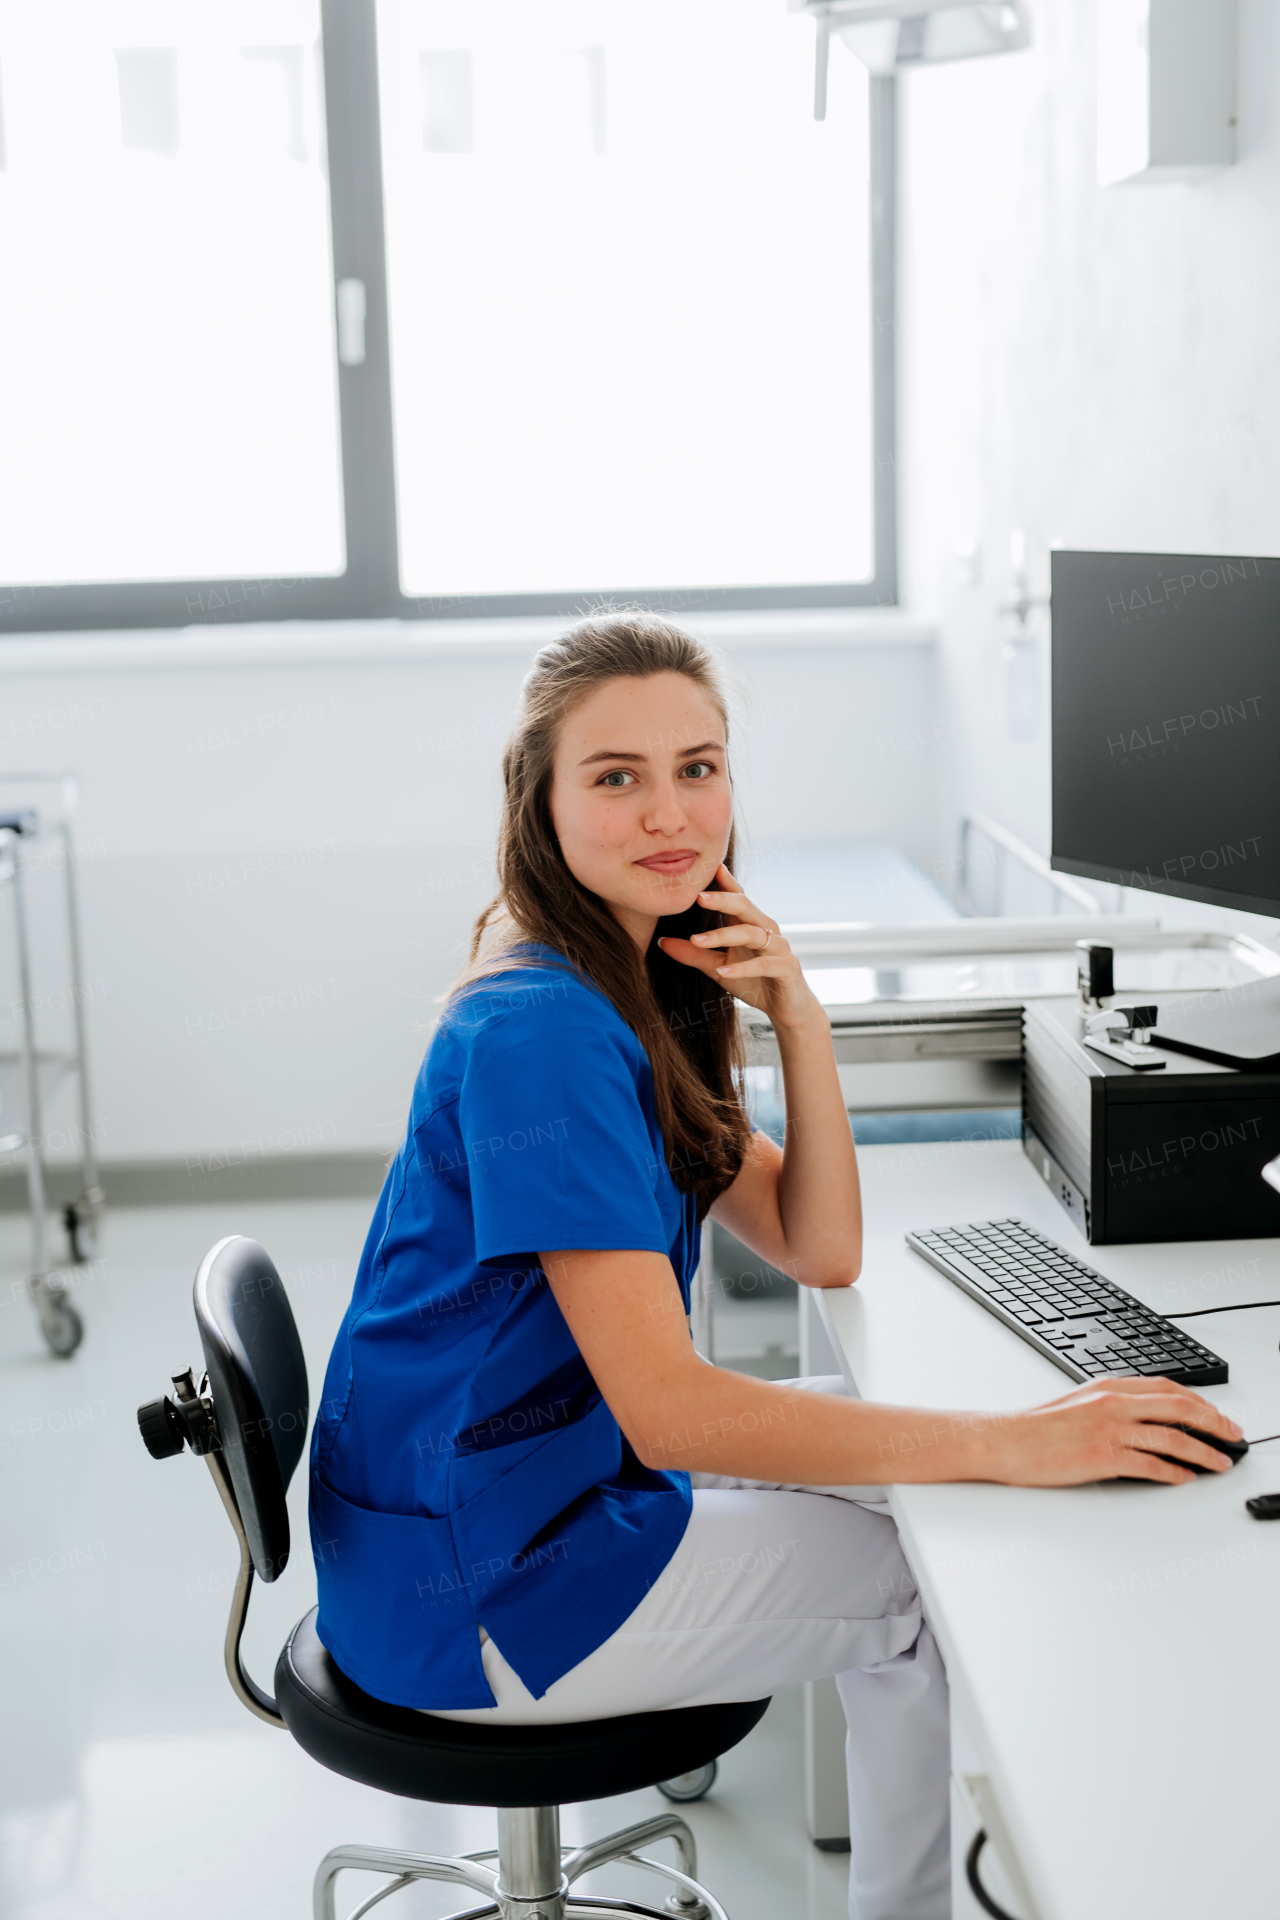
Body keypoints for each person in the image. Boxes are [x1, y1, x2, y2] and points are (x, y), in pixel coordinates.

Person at [310, 611, 1243, 1920]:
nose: (669, 813)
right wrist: (1008, 1442)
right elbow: (675, 1409)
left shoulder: (619, 980)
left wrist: (796, 1010)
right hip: (482, 1588)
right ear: (541, 797)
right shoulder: (547, 1037)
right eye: (616, 776)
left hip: (500, 1513)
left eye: (699, 766)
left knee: (916, 1498)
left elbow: (820, 1243)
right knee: (932, 1585)